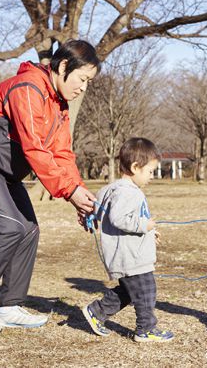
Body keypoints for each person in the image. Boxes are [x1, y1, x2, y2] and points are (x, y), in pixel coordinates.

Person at [0, 39, 100, 334]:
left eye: (88, 82)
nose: (83, 87)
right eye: (82, 79)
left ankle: (9, 306)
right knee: (9, 228)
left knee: (28, 230)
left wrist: (80, 193)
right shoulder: (28, 87)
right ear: (63, 66)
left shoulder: (60, 104)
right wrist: (69, 191)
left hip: (2, 168)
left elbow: (62, 153)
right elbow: (35, 149)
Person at [81, 138, 174, 343]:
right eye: (150, 171)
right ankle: (146, 329)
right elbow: (119, 218)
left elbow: (108, 214)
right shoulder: (128, 192)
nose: (152, 176)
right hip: (131, 256)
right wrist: (144, 226)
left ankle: (97, 312)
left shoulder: (111, 189)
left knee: (129, 291)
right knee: (146, 291)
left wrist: (149, 233)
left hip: (125, 253)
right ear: (135, 167)